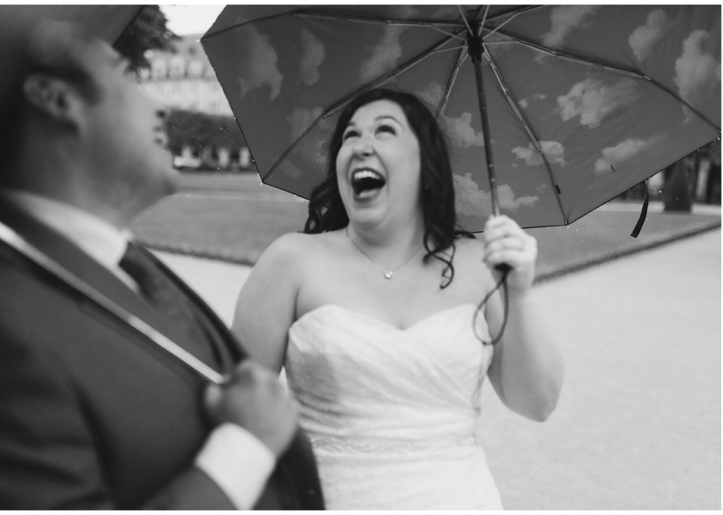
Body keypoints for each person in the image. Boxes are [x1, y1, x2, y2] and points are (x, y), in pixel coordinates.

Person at [0, 9, 323, 510]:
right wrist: (246, 445)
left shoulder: (119, 258)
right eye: (125, 76)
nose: (158, 108)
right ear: (56, 99)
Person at [231, 88, 564, 509]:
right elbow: (235, 411)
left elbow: (536, 403)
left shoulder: (483, 265)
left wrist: (519, 293)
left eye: (384, 131)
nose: (360, 146)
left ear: (425, 164)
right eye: (350, 137)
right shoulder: (290, 261)